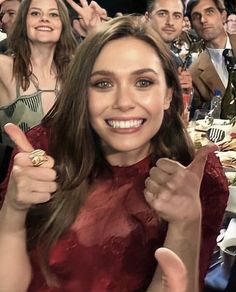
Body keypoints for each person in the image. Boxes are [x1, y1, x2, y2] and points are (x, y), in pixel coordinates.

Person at [0, 15, 228, 292]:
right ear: (82, 93)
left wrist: (186, 221)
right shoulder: (42, 148)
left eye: (143, 82)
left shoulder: (198, 176)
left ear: (169, 94)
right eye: (103, 84)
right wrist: (13, 211)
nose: (123, 102)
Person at [0, 0, 77, 182]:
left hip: (68, 185)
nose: (44, 19)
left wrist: (95, 31)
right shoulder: (4, 67)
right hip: (16, 185)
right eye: (35, 13)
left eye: (53, 14)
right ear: (23, 22)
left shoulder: (76, 71)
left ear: (63, 24)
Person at [186, 0, 236, 116]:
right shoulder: (194, 73)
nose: (203, 20)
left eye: (209, 12)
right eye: (196, 16)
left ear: (223, 16)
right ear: (192, 25)